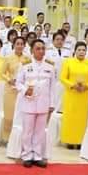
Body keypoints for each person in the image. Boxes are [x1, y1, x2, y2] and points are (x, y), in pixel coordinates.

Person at [15, 39, 56, 167]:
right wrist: (24, 90)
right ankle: (27, 155)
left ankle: (37, 155)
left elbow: (52, 87)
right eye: (38, 48)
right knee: (27, 131)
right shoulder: (25, 64)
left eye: (43, 48)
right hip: (29, 102)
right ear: (32, 50)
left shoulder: (50, 66)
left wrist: (52, 104)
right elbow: (18, 82)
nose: (41, 51)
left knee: (40, 131)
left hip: (43, 103)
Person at [58, 41, 88, 148]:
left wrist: (87, 86)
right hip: (71, 94)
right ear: (75, 51)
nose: (81, 52)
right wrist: (72, 85)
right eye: (79, 50)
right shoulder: (68, 62)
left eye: (83, 50)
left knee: (83, 118)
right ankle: (69, 140)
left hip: (85, 95)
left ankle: (81, 141)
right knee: (70, 117)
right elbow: (62, 77)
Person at [0, 37, 29, 144]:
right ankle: (6, 138)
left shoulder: (27, 59)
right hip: (10, 89)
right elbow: (2, 73)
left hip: (22, 90)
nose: (19, 46)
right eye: (17, 44)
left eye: (22, 44)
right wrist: (9, 79)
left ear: (24, 45)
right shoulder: (8, 58)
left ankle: (19, 139)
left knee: (21, 115)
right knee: (9, 114)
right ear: (14, 45)